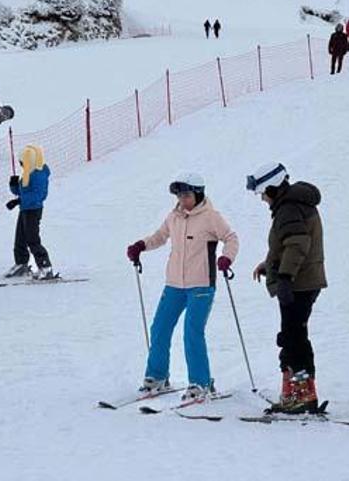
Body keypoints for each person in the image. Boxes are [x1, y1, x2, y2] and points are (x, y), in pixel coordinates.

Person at [126, 173, 239, 401]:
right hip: (174, 285)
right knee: (159, 328)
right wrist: (141, 245)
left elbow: (231, 238)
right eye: (179, 195)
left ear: (197, 194)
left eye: (186, 195)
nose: (182, 199)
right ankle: (157, 376)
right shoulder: (174, 216)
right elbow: (160, 236)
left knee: (192, 333)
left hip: (201, 286)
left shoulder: (211, 217)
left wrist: (226, 258)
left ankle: (201, 383)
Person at [246, 163, 327, 414]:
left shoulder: (289, 208)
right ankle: (296, 391)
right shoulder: (293, 205)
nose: (262, 199)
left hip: (298, 283)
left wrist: (284, 277)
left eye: (262, 193)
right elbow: (288, 244)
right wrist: (269, 264)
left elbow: (297, 244)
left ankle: (302, 395)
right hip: (303, 280)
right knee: (293, 334)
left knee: (293, 337)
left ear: (272, 188)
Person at [4, 145, 54, 280]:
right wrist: (14, 185)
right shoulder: (28, 172)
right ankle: (21, 263)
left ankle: (45, 266)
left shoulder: (39, 175)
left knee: (32, 239)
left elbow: (38, 195)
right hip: (25, 209)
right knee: (20, 238)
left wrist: (18, 201)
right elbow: (22, 191)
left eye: (22, 163)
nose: (21, 165)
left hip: (33, 210)